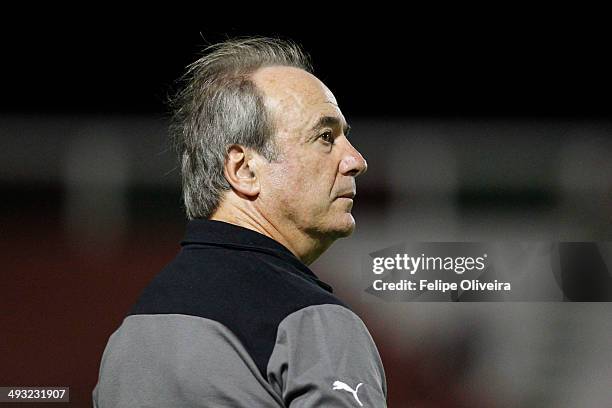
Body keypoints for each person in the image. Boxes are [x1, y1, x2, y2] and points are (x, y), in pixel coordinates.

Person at [93, 37, 387, 407]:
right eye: (325, 137)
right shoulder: (313, 324)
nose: (356, 160)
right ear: (244, 168)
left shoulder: (130, 335)